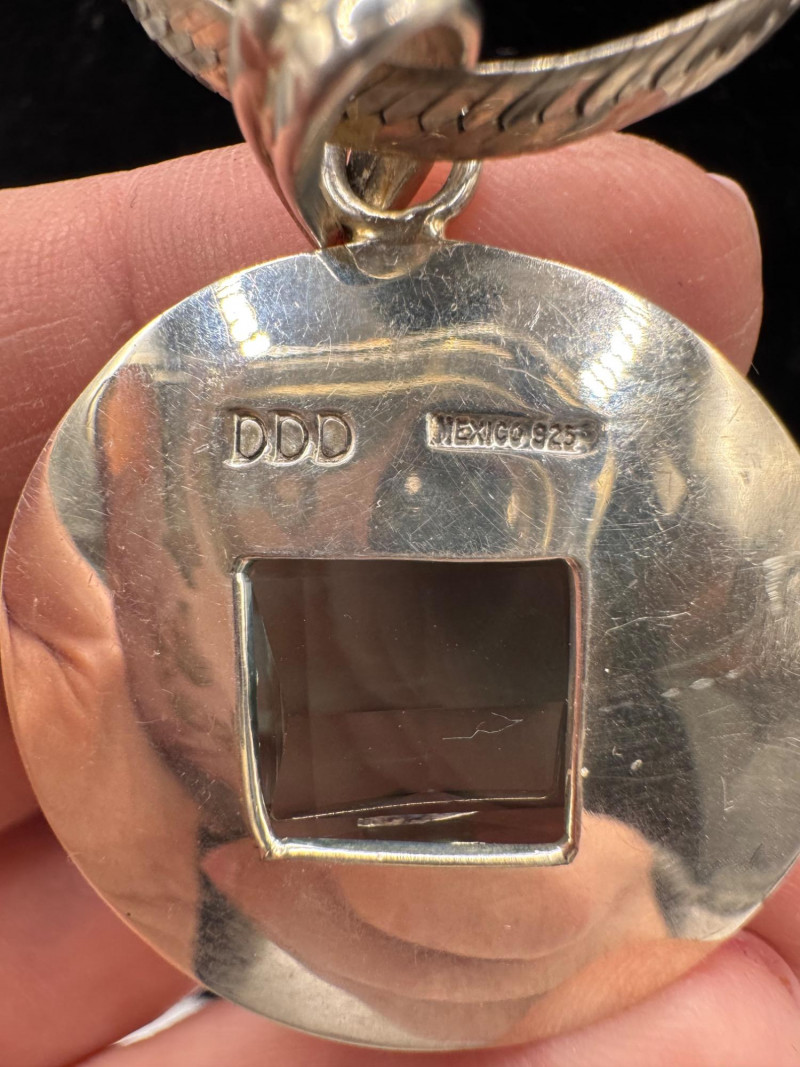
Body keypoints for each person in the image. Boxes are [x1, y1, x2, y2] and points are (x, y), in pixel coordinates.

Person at [1, 131, 798, 1067]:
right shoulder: (111, 549)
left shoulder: (651, 553)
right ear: (132, 453)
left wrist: (655, 887)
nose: (390, 509)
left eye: (444, 481)